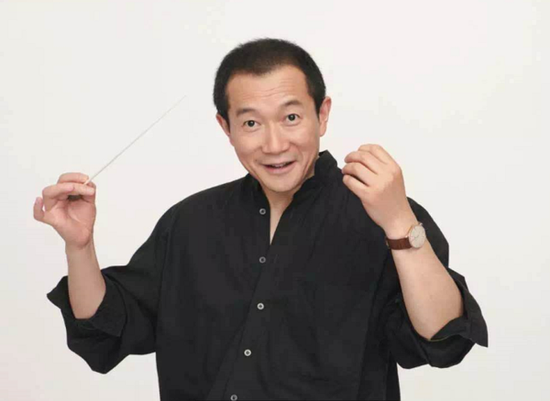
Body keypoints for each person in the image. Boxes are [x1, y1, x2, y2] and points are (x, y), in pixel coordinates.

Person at [34, 38, 488, 400]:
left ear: (322, 115)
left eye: (291, 117)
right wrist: (80, 246)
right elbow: (107, 328)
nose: (274, 144)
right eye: (251, 123)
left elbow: (443, 339)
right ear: (226, 128)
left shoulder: (383, 214)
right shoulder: (190, 223)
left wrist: (398, 222)